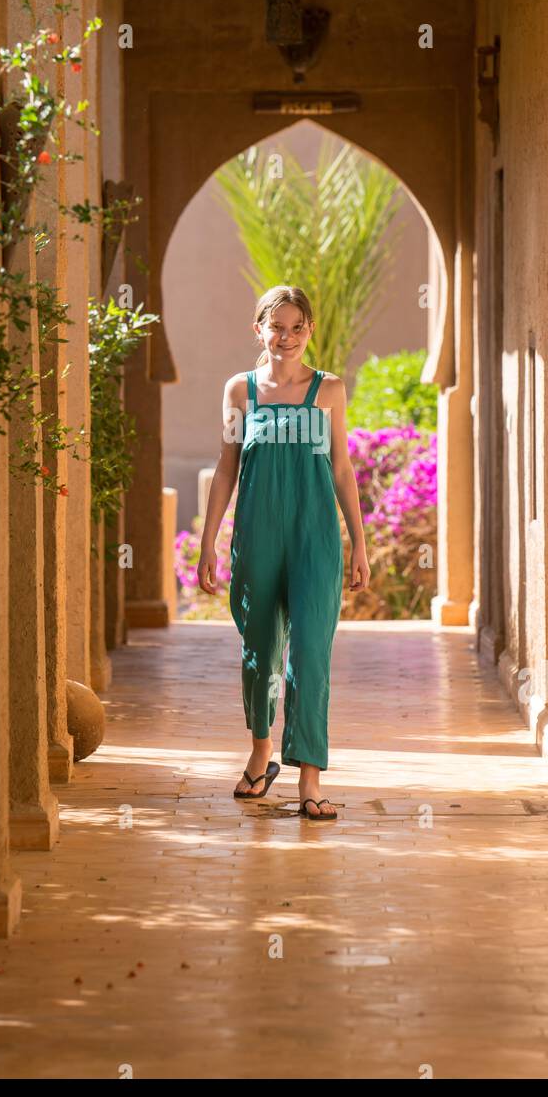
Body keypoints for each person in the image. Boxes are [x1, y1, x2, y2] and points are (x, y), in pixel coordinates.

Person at [197, 284, 370, 821]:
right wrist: (209, 539)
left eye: (297, 327)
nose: (287, 337)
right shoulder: (240, 392)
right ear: (259, 330)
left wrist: (358, 541)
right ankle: (260, 749)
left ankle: (310, 779)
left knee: (311, 654)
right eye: (277, 327)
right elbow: (227, 467)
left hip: (315, 538)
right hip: (258, 536)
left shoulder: (329, 391)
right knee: (260, 651)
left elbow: (342, 469)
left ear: (310, 330)